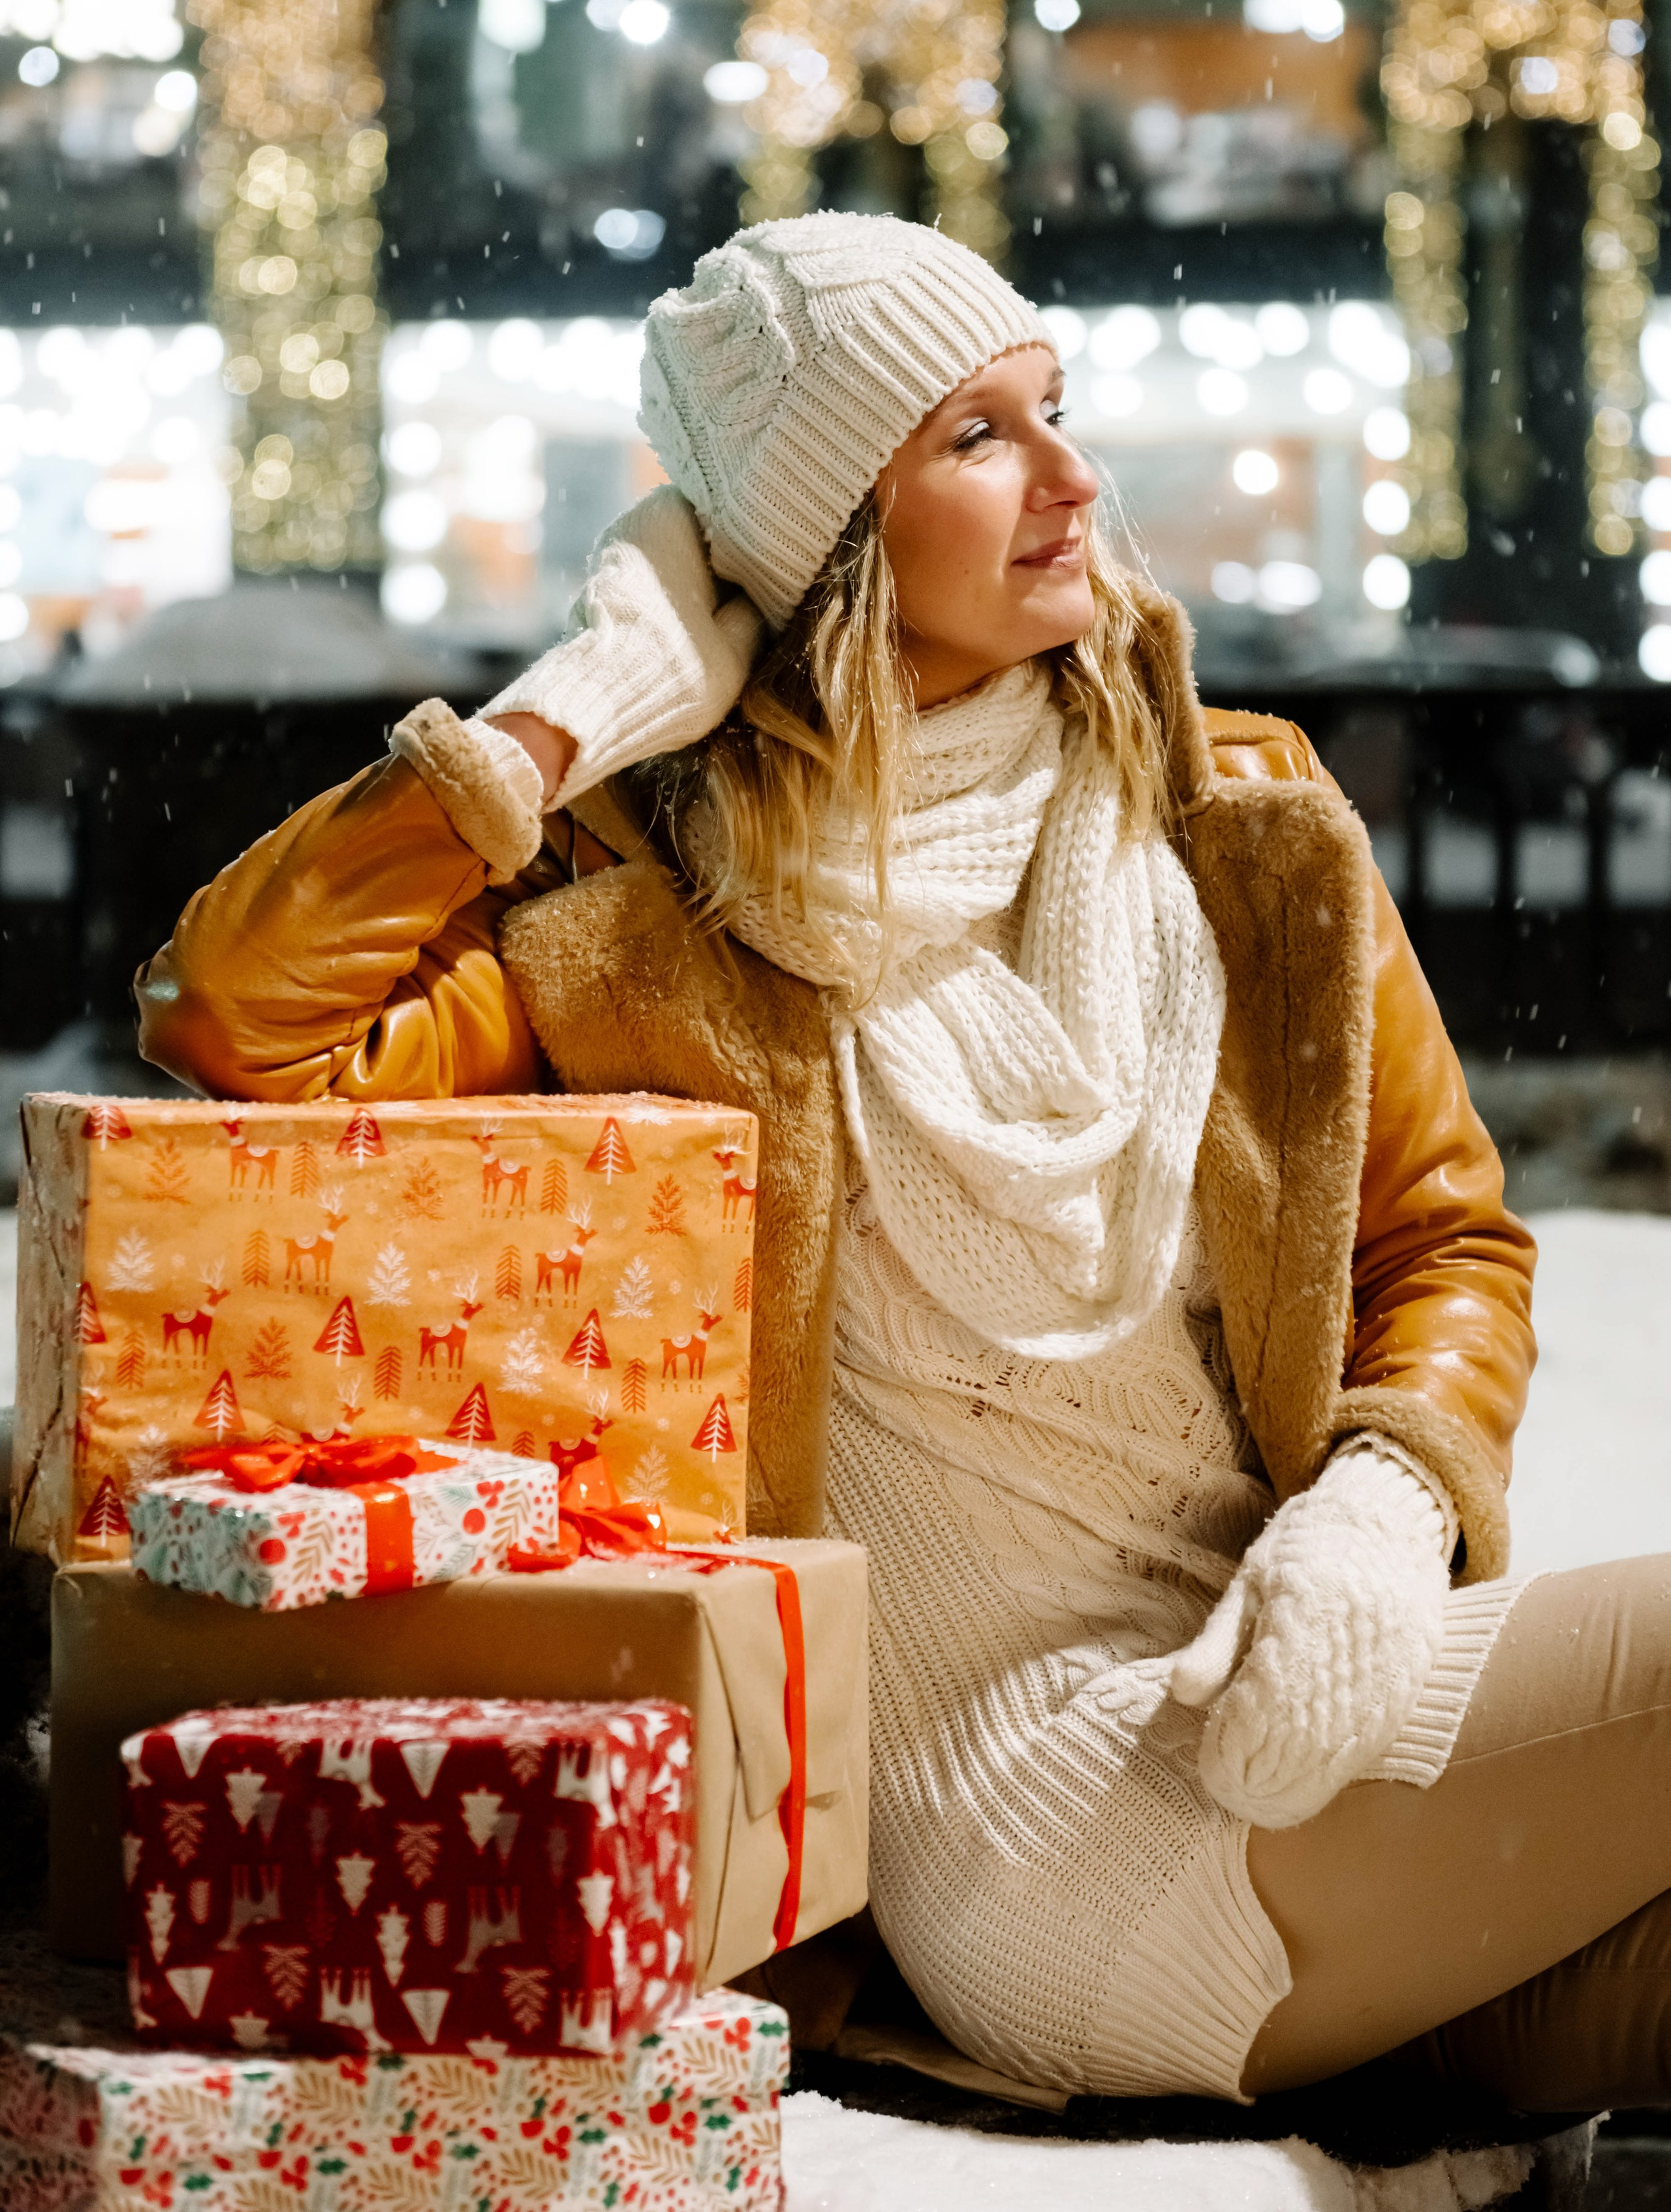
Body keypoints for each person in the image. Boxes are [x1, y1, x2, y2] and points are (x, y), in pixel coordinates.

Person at [138, 213, 1671, 2112]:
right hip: (1042, 1815)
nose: (1075, 478)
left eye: (1059, 410)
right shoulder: (644, 919)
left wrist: (1382, 1505)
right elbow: (239, 1018)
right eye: (979, 437)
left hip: (1307, 1682)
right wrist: (569, 716)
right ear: (831, 539)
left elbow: (1443, 1244)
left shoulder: (1245, 820)